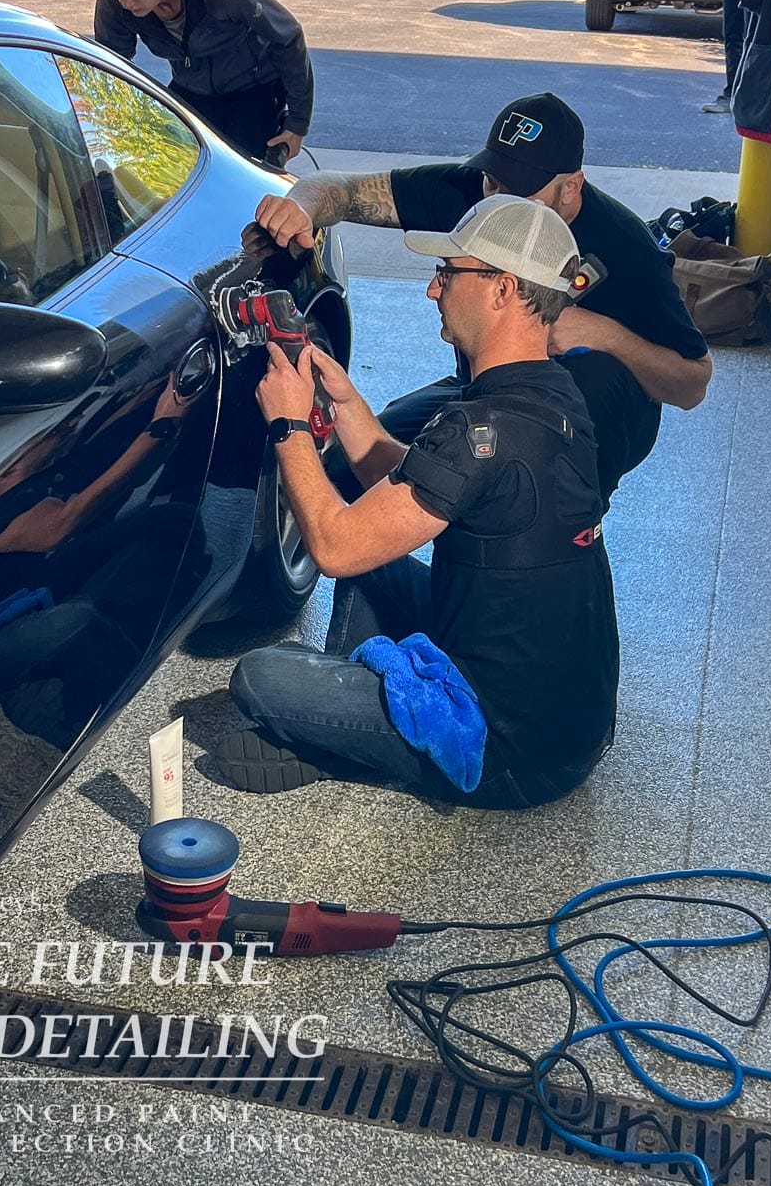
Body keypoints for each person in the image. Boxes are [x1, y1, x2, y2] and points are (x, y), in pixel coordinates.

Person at [215, 196, 619, 806]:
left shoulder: (477, 429)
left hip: (509, 754)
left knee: (260, 678)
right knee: (379, 556)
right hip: (570, 728)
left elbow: (334, 547)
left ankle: (347, 735)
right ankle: (349, 724)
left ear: (502, 288)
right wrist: (349, 408)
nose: (433, 291)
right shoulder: (554, 394)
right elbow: (425, 489)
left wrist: (289, 426)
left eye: (448, 273)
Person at [252, 92, 711, 509]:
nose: (499, 203)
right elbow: (345, 189)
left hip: (585, 411)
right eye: (494, 181)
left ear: (571, 186)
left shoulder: (627, 247)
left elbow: (692, 384)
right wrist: (302, 205)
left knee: (582, 397)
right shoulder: (479, 196)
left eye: (520, 189)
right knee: (352, 468)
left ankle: (568, 520)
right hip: (483, 387)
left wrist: (604, 334)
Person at [94, 0, 314, 163]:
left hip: (254, 90)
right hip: (191, 89)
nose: (126, 2)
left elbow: (288, 37)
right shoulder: (113, 4)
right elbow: (109, 68)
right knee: (170, 168)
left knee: (239, 171)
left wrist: (297, 125)